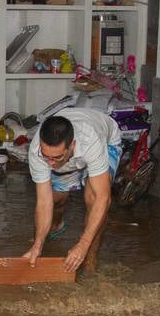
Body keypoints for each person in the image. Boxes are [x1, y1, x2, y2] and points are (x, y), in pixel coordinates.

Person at [22, 107, 122, 273]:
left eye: (56, 158)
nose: (50, 164)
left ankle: (90, 262)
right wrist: (37, 245)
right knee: (55, 200)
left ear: (72, 145)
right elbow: (43, 202)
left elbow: (103, 198)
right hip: (70, 156)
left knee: (93, 198)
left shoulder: (91, 141)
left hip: (106, 140)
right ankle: (54, 229)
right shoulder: (37, 151)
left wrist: (82, 245)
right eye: (46, 156)